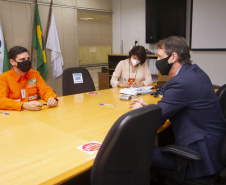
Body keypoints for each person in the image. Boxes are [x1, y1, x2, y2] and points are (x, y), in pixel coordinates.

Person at [130, 36, 226, 180]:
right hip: (212, 147)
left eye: (160, 56)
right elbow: (175, 104)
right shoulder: (195, 73)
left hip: (198, 158)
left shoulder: (179, 83)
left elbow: (155, 121)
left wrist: (140, 109)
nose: (157, 61)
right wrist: (151, 108)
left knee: (134, 155)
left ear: (173, 57)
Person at [0, 46, 58, 111]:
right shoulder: (4, 78)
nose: (26, 62)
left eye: (28, 59)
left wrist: (52, 98)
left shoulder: (34, 74)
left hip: (35, 113)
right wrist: (23, 105)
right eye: (22, 59)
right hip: (15, 115)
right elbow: (1, 100)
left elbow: (45, 90)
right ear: (12, 62)